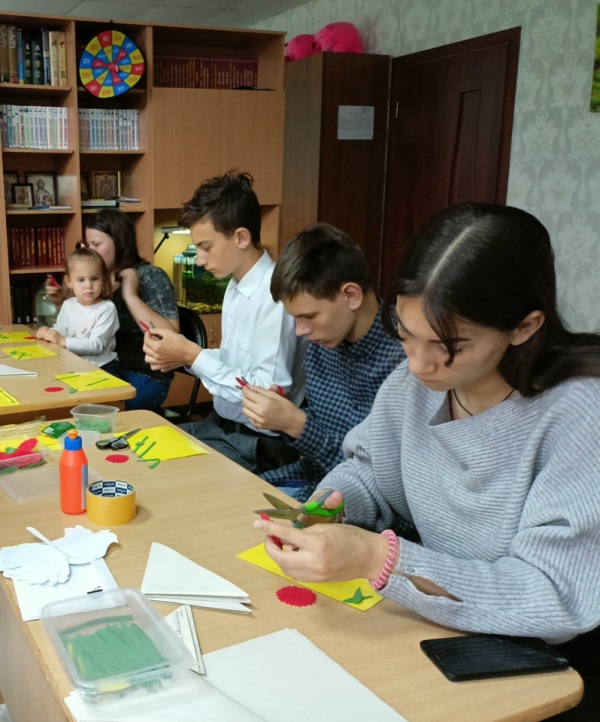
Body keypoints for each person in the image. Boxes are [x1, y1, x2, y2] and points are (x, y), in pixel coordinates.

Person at [254, 203, 600, 720]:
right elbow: (372, 469)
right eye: (405, 332)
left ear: (524, 327)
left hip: (535, 669)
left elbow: (552, 596)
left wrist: (381, 559)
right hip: (434, 626)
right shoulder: (413, 386)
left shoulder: (578, 414)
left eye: (446, 345)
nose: (416, 364)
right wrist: (331, 503)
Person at [143, 170, 305, 473]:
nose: (200, 260)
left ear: (240, 237)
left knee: (163, 471)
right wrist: (182, 356)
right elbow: (236, 361)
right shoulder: (235, 285)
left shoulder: (275, 295)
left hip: (258, 444)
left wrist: (192, 355)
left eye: (206, 247)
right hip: (222, 426)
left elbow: (265, 396)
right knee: (143, 446)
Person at [240, 223, 406, 502]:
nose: (300, 331)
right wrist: (284, 413)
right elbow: (323, 432)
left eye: (308, 316)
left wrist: (296, 424)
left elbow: (379, 484)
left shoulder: (408, 358)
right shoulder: (322, 345)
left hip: (358, 503)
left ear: (350, 295)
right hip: (312, 477)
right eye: (295, 318)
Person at [46, 209, 180, 410]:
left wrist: (130, 296)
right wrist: (63, 302)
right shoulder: (96, 280)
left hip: (146, 376)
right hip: (100, 368)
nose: (90, 251)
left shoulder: (150, 276)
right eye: (87, 245)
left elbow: (169, 337)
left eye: (96, 244)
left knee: (81, 408)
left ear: (119, 242)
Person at [36, 247, 119, 367]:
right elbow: (61, 329)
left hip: (103, 366)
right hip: (74, 363)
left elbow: (97, 345)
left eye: (94, 279)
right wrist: (48, 333)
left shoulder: (107, 309)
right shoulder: (68, 304)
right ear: (69, 281)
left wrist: (63, 341)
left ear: (103, 279)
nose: (88, 285)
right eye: (81, 280)